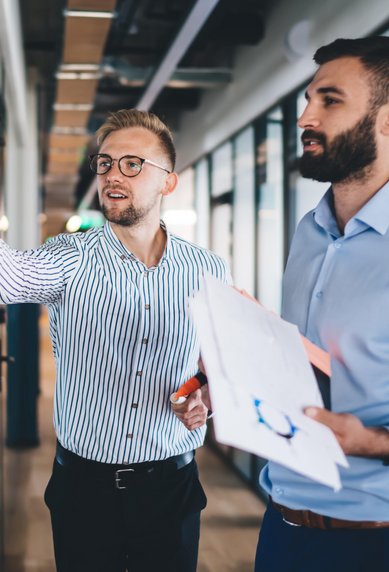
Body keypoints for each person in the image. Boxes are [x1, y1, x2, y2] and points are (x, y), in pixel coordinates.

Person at [0, 109, 231, 572]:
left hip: (173, 486)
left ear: (168, 182)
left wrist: (201, 394)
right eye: (105, 163)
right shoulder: (68, 258)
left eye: (132, 163)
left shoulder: (207, 268)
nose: (112, 175)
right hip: (84, 489)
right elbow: (9, 277)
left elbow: (216, 365)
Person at [255, 36, 389, 572]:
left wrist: (372, 441)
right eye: (308, 99)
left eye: (330, 100)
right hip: (283, 525)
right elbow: (312, 364)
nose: (305, 115)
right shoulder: (308, 232)